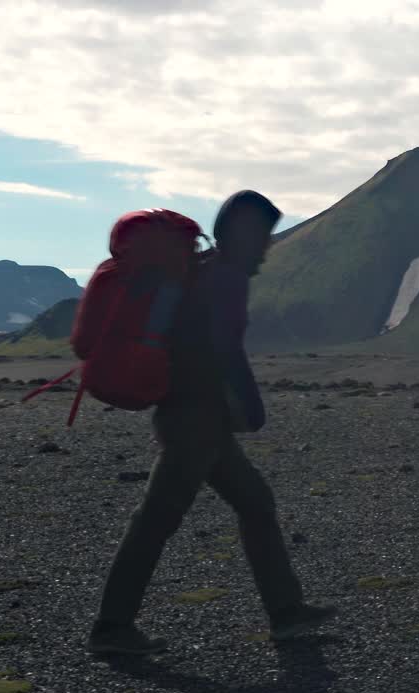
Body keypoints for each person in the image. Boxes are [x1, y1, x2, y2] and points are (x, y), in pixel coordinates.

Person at [87, 190, 336, 655]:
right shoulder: (225, 279)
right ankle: (111, 628)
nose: (267, 248)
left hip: (199, 420)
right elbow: (223, 349)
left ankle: (286, 613)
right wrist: (253, 408)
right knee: (158, 519)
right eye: (264, 236)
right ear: (244, 235)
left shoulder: (205, 272)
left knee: (256, 503)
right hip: (194, 421)